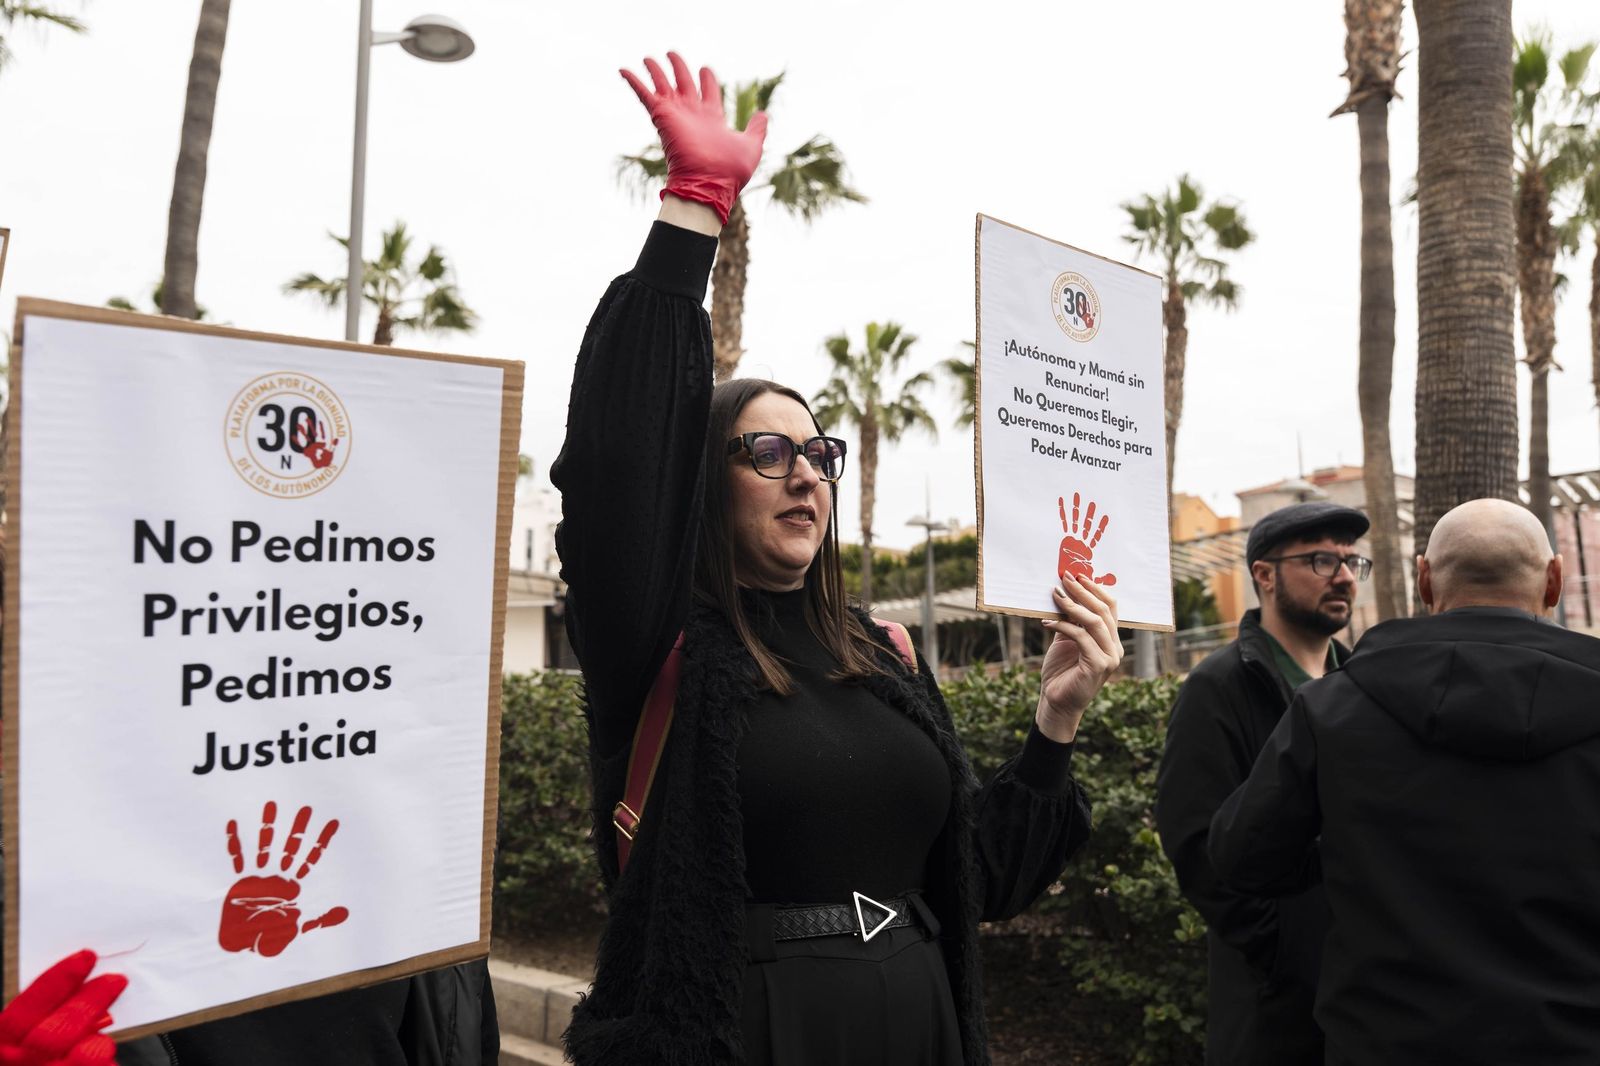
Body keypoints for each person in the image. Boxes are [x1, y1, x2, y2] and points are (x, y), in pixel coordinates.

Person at [550, 52, 1124, 1065]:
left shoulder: (886, 654)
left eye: (819, 452)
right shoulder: (662, 643)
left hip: (918, 1016)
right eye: (766, 452)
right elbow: (616, 465)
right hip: (752, 1029)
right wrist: (694, 213)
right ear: (701, 484)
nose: (806, 473)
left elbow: (976, 879)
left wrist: (1056, 718)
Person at [1208, 498, 1600, 1066]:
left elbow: (1240, 856)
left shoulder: (1331, 707)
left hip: (1384, 1043)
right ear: (1555, 580)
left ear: (1424, 580)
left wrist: (1345, 848)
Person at [1154, 500, 1370, 1064]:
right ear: (1264, 575)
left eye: (1351, 561)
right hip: (1273, 1012)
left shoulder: (1363, 687)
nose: (1345, 575)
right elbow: (1196, 845)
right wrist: (1284, 950)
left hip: (1366, 998)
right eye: (1322, 560)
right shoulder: (1217, 688)